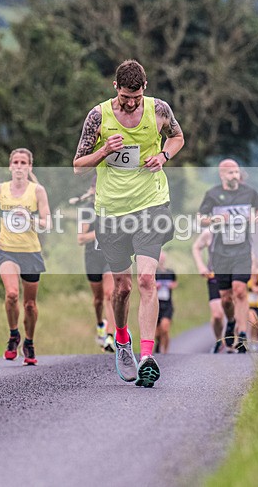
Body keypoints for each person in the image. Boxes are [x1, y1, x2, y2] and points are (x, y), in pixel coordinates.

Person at [73, 59, 185, 388]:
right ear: (115, 89)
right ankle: (123, 340)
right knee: (122, 288)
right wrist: (103, 151)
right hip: (110, 209)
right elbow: (78, 165)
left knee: (147, 279)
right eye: (125, 97)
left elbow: (178, 138)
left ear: (144, 89)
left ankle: (148, 356)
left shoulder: (159, 110)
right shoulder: (98, 116)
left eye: (136, 97)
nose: (131, 103)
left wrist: (163, 156)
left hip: (151, 202)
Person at [0, 148, 51, 366]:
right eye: (16, 162)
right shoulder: (0, 189)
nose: (19, 166)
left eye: (24, 162)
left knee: (30, 304)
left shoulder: (37, 191)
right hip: (6, 250)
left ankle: (29, 342)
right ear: (10, 166)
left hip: (31, 252)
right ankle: (14, 334)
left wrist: (30, 219)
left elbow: (46, 222)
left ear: (30, 167)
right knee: (12, 294)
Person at [199, 159, 258, 353]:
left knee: (240, 291)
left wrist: (255, 218)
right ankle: (232, 320)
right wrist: (214, 219)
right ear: (222, 175)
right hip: (220, 253)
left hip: (242, 250)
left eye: (236, 172)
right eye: (230, 173)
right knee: (226, 299)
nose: (235, 176)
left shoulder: (249, 192)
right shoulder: (212, 195)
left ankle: (242, 334)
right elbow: (200, 219)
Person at [76, 184, 116, 353]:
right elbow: (80, 238)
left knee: (110, 295)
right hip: (93, 257)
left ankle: (111, 336)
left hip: (111, 256)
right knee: (98, 299)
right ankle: (100, 323)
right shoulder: (87, 209)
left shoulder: (116, 207)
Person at [192, 229, 234, 353]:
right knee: (217, 315)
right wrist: (201, 266)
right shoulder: (209, 232)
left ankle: (232, 327)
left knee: (228, 303)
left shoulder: (237, 230)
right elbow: (196, 247)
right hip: (214, 275)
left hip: (233, 275)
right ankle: (219, 340)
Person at [154, 251, 177, 354]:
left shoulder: (170, 272)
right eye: (160, 258)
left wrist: (172, 285)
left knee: (165, 328)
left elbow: (175, 283)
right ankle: (158, 345)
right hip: (155, 304)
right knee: (157, 332)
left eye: (163, 258)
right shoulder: (153, 272)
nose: (161, 260)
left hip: (167, 304)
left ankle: (165, 352)